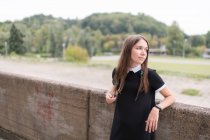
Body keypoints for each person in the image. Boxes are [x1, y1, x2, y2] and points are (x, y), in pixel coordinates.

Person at [105, 34, 176, 140]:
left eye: (146, 50)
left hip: (141, 132)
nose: (144, 53)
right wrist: (108, 95)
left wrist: (156, 108)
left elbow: (171, 97)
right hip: (119, 130)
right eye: (139, 48)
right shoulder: (117, 71)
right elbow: (115, 87)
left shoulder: (150, 75)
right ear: (128, 50)